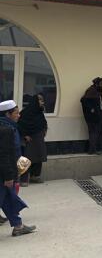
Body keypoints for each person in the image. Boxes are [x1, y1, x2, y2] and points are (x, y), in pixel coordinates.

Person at [0, 100, 36, 236]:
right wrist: (9, 176)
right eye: (16, 113)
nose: (19, 115)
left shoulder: (8, 127)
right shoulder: (6, 130)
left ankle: (18, 226)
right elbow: (4, 156)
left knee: (8, 199)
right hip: (3, 173)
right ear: (7, 114)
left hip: (5, 171)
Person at [17, 94, 48, 186]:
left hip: (38, 138)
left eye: (42, 100)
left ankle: (35, 176)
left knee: (39, 157)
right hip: (29, 140)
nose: (42, 102)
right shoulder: (25, 112)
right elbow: (19, 124)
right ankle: (24, 179)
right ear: (35, 101)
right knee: (27, 158)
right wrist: (25, 135)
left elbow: (43, 122)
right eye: (40, 100)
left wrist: (44, 130)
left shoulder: (39, 113)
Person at [81, 77, 102, 154]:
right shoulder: (91, 90)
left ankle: (96, 149)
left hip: (99, 115)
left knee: (99, 131)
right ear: (96, 84)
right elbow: (83, 100)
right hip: (94, 117)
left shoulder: (98, 91)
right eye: (101, 84)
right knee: (94, 132)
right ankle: (93, 150)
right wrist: (92, 110)